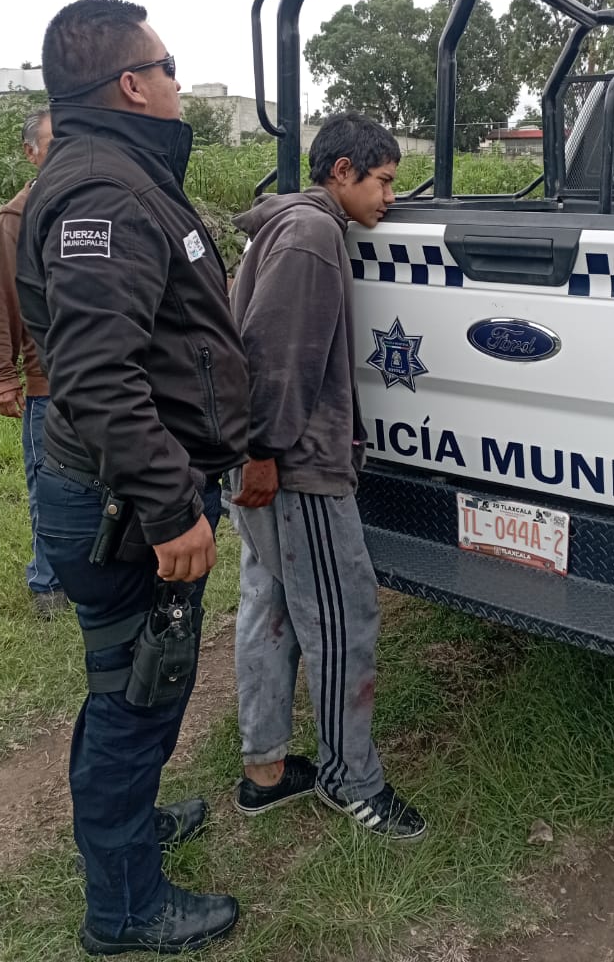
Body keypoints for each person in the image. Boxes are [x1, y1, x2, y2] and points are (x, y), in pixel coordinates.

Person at [16, 0, 248, 955]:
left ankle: (131, 830)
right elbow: (96, 376)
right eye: (169, 65)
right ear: (131, 84)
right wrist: (167, 505)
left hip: (131, 489)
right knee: (136, 689)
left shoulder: (119, 174)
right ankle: (123, 910)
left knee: (133, 680)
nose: (177, 81)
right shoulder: (106, 195)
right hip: (127, 503)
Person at [230, 111, 426, 841]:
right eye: (383, 181)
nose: (390, 199)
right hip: (298, 467)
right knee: (343, 618)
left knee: (271, 607)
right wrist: (263, 452)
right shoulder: (313, 235)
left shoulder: (287, 225)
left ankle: (265, 772)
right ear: (342, 171)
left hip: (270, 462)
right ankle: (352, 781)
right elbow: (274, 356)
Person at [0, 108, 69, 618]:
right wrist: (1, 375)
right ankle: (47, 582)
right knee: (49, 483)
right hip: (47, 385)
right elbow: (1, 299)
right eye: (54, 144)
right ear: (30, 153)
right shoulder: (17, 216)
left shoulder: (90, 202)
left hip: (104, 378)